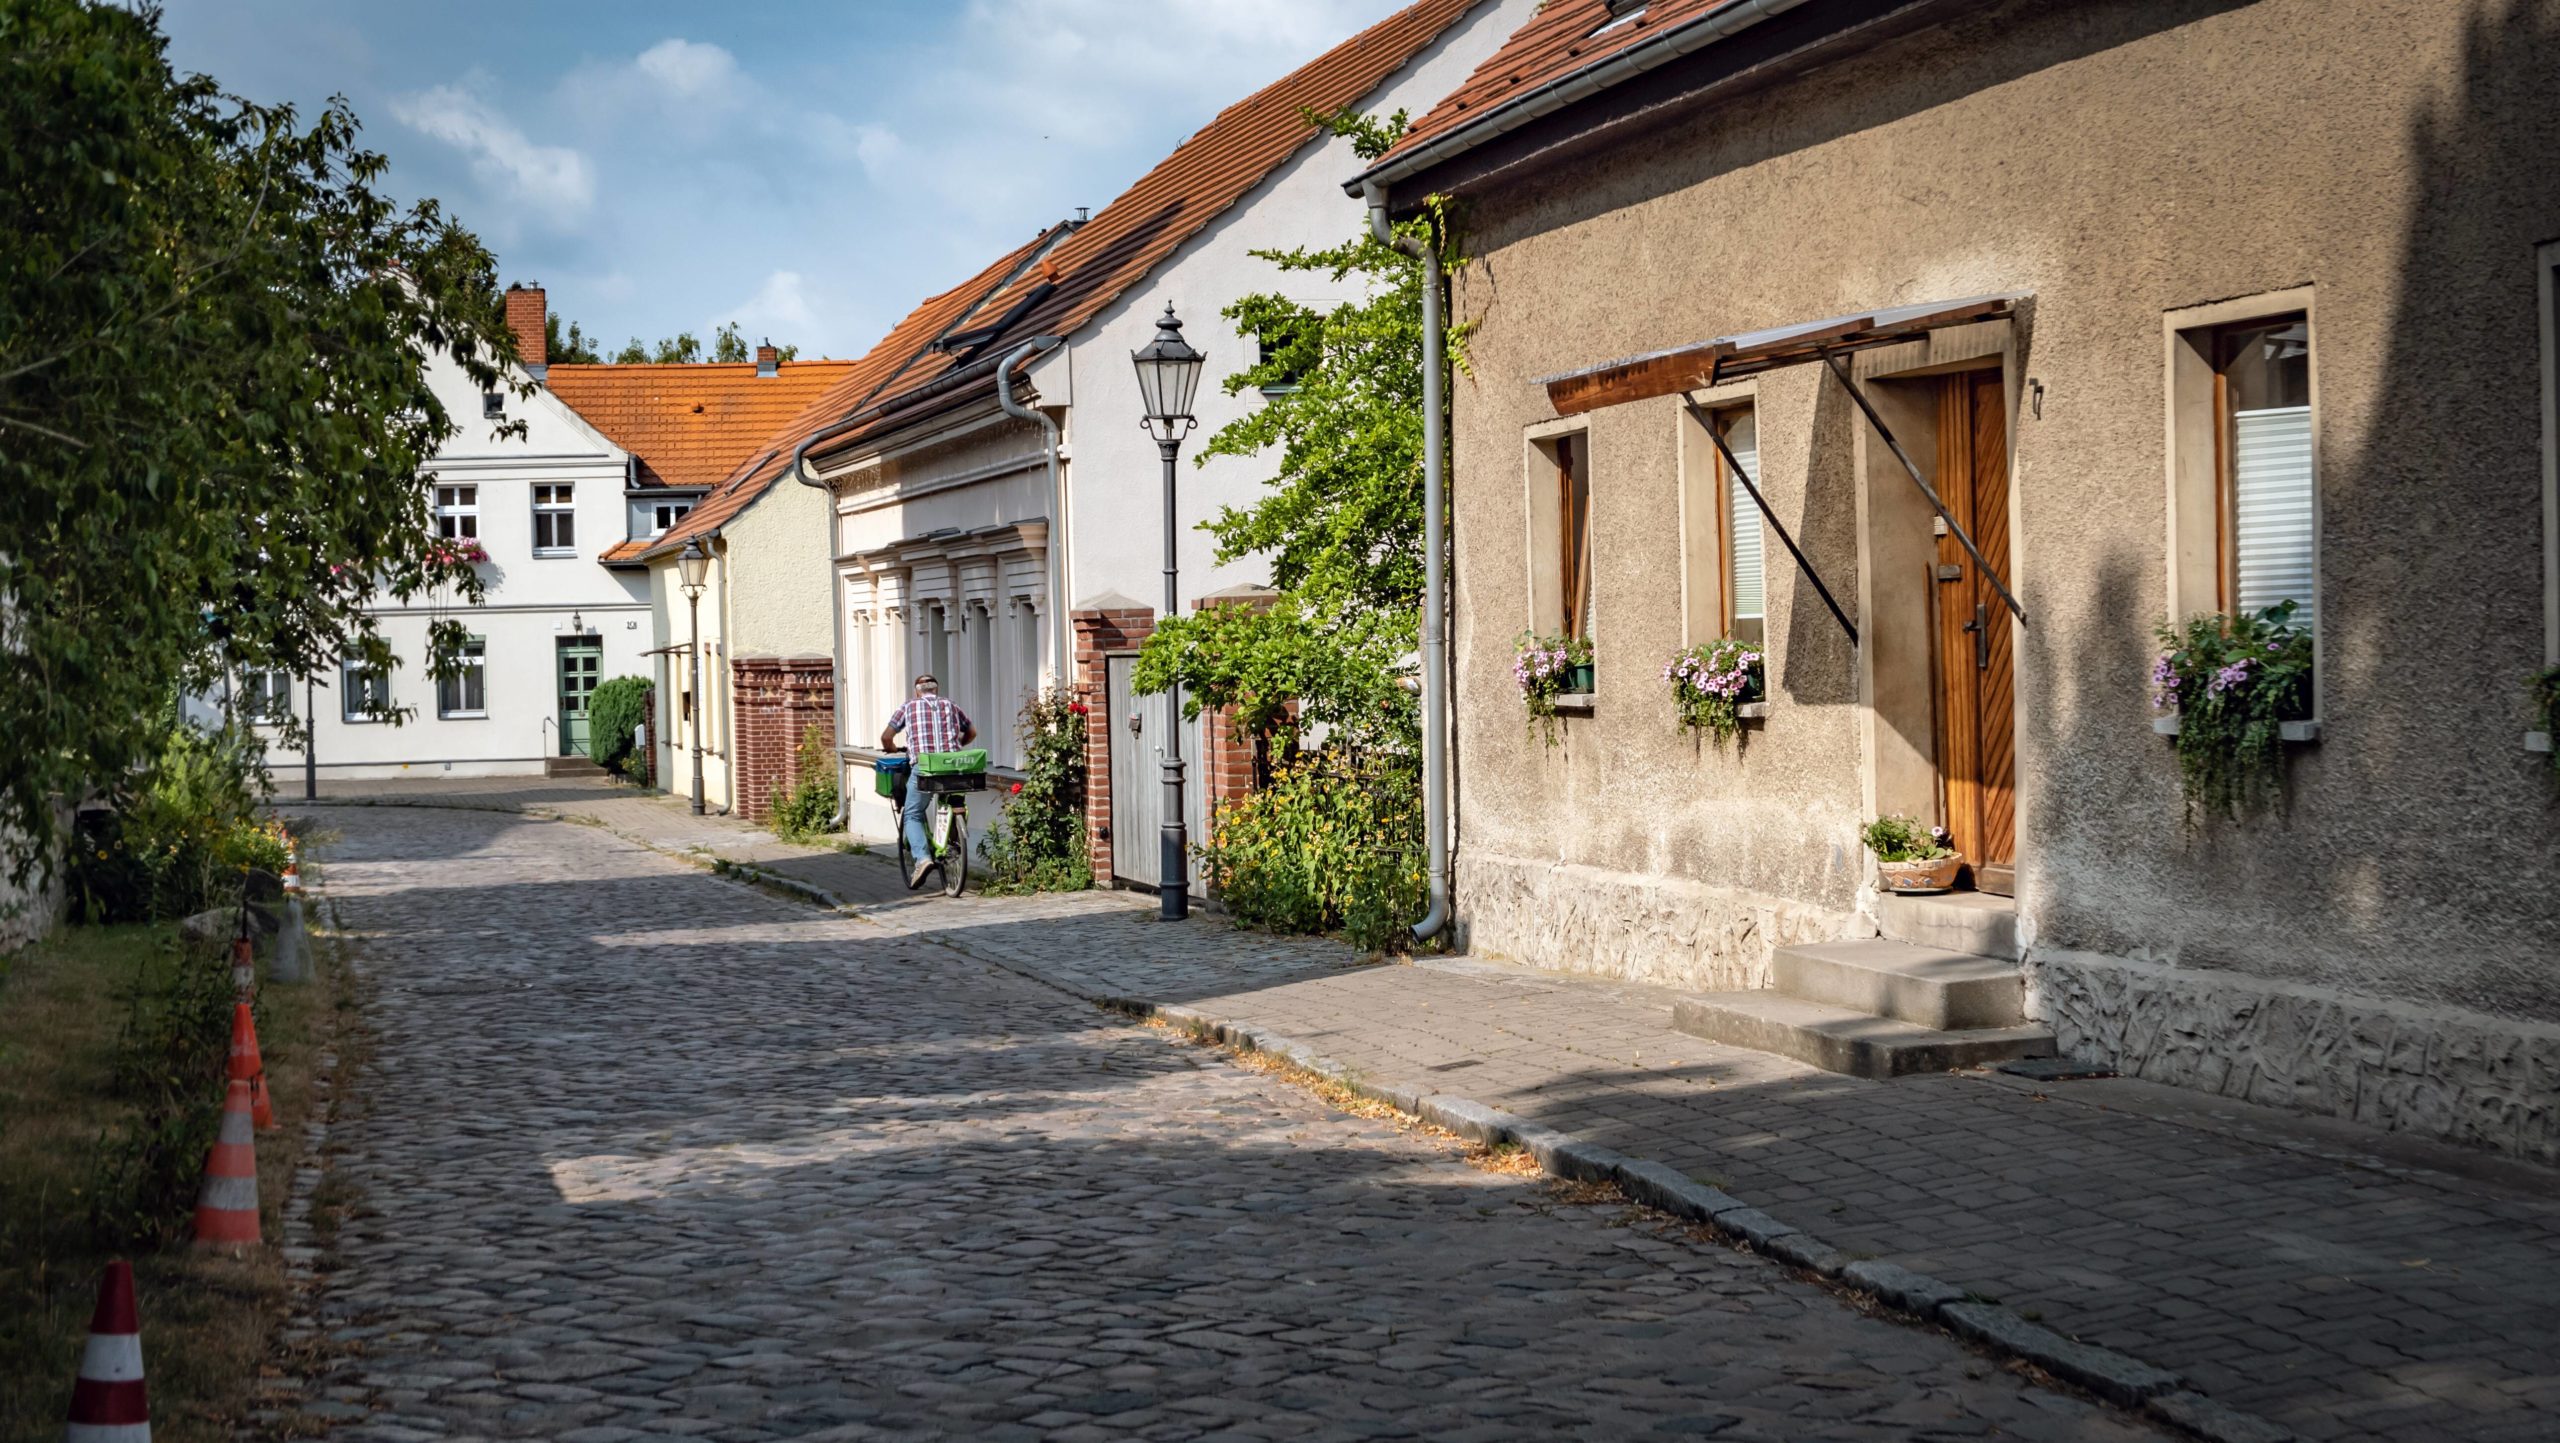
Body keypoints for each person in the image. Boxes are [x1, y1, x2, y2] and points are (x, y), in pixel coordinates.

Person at [881, 672, 976, 885]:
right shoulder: (951, 706)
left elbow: (886, 737)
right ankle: (953, 841)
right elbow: (972, 731)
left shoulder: (907, 707)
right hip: (953, 767)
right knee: (953, 800)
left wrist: (893, 748)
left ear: (917, 691)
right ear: (937, 690)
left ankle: (922, 860)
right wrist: (957, 745)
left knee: (913, 813)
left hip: (924, 768)